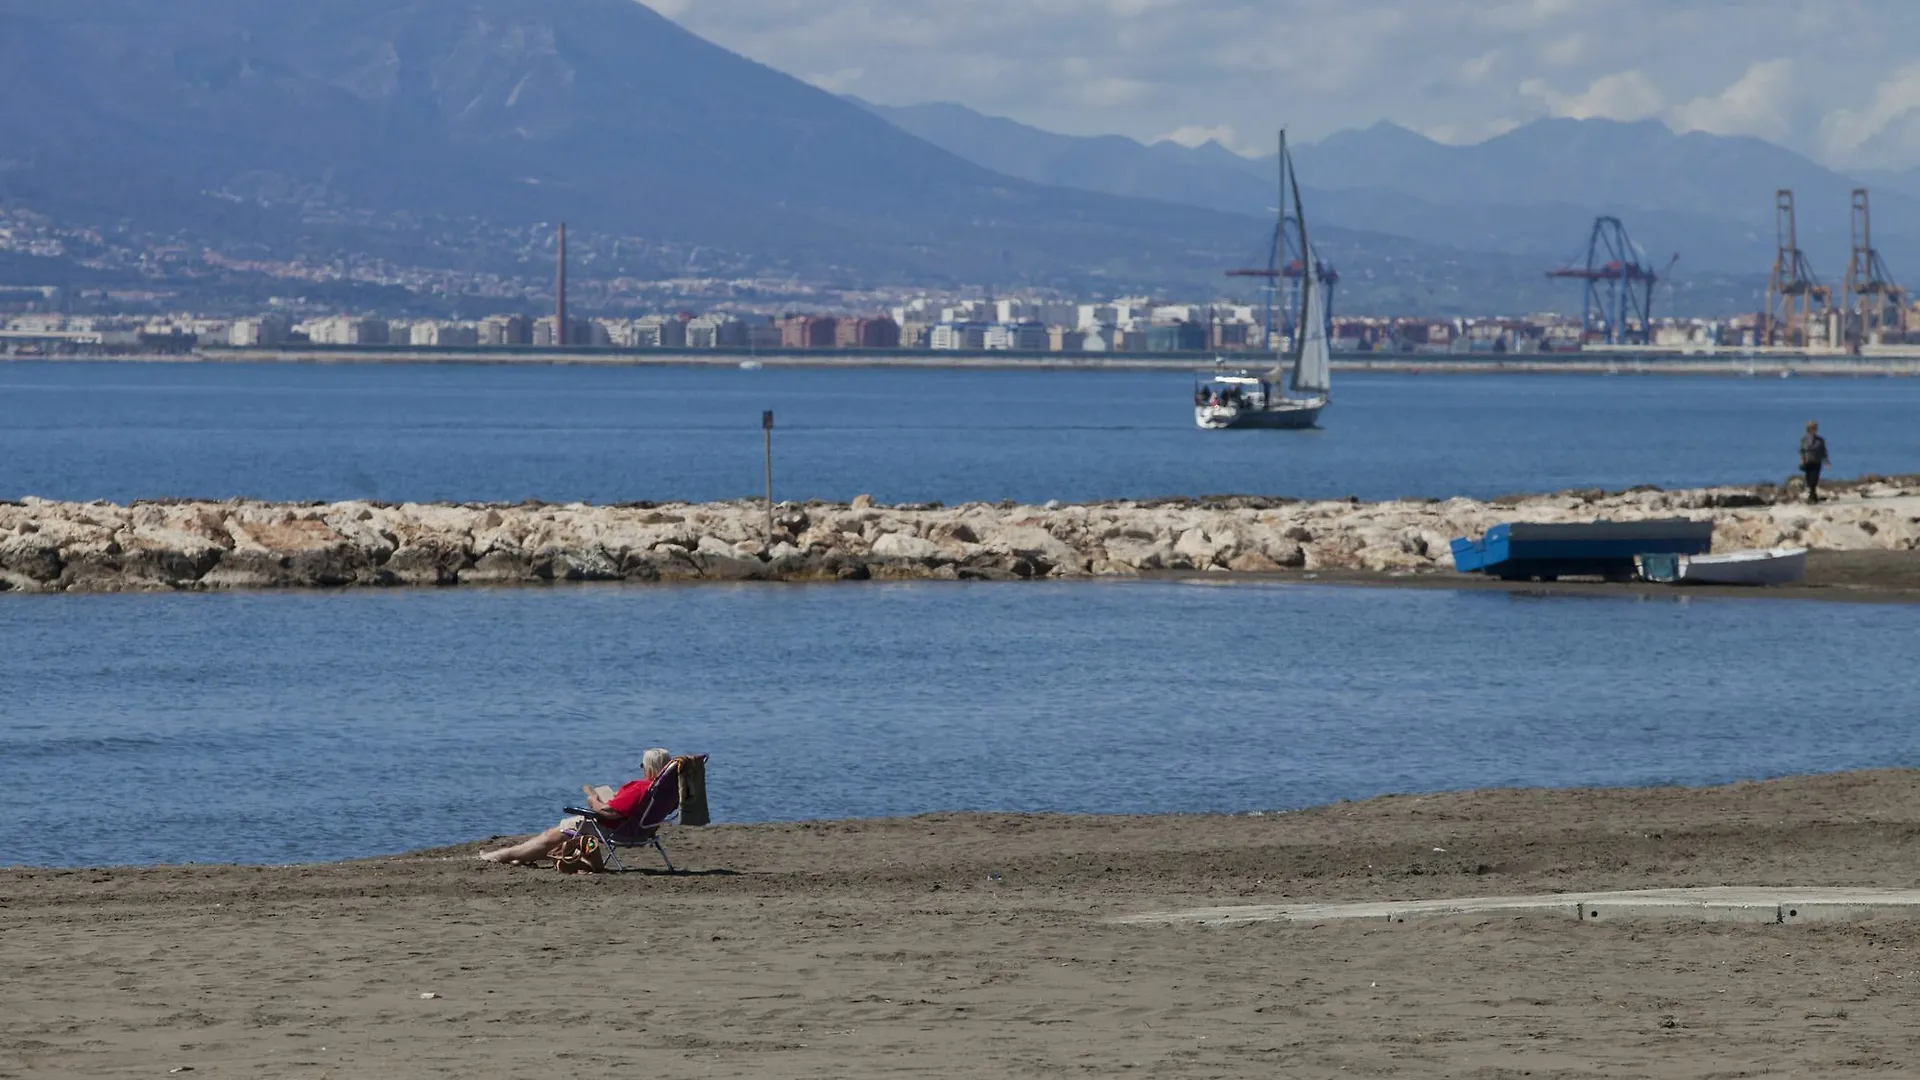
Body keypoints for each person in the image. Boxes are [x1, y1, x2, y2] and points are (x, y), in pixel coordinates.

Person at [481, 747, 671, 865]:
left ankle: (499, 856)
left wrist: (593, 801)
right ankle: (519, 856)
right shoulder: (666, 793)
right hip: (639, 831)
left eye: (642, 765)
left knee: (551, 836)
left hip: (612, 828)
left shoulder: (640, 787)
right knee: (554, 837)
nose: (642, 769)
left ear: (649, 767)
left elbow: (608, 812)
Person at [1799, 421, 1831, 503]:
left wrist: (1826, 462)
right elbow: (1802, 451)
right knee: (1809, 481)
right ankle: (1813, 497)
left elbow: (1823, 452)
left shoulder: (1820, 440)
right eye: (1811, 428)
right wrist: (1802, 460)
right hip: (1807, 462)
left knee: (1814, 480)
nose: (1813, 430)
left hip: (1816, 462)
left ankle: (1812, 497)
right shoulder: (1804, 439)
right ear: (1808, 429)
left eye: (1814, 428)